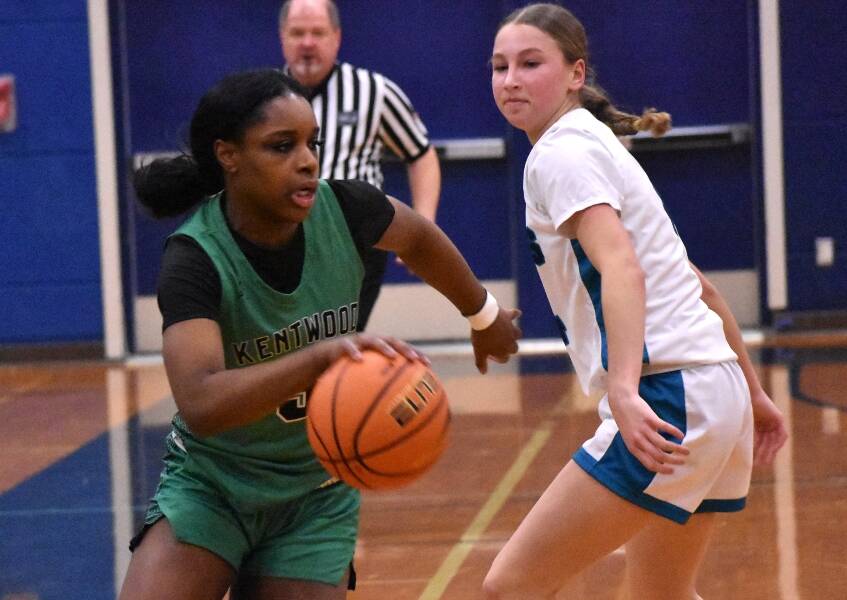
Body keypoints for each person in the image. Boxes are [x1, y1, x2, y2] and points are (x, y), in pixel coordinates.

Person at [119, 68, 521, 600]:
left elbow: (420, 238)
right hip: (214, 484)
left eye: (314, 143)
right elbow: (201, 401)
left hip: (316, 491)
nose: (308, 160)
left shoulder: (347, 208)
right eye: (282, 146)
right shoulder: (195, 257)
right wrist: (317, 358)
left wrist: (485, 315)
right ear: (228, 155)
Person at [483, 4, 788, 599]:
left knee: (508, 588)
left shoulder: (561, 153)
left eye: (530, 63)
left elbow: (622, 265)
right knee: (661, 594)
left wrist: (623, 389)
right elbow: (695, 282)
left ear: (576, 73)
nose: (511, 79)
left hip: (669, 393)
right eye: (499, 66)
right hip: (713, 385)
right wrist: (749, 390)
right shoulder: (594, 143)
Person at [279, 0, 442, 331]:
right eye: (297, 33)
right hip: (281, 239)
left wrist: (423, 228)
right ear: (283, 37)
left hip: (355, 241)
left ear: (336, 37)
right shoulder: (264, 96)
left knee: (336, 340)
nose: (307, 43)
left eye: (317, 33)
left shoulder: (373, 91)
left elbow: (421, 154)